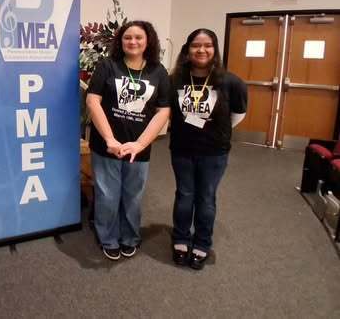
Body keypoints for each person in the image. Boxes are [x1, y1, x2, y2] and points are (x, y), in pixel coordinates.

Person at [86, 20, 171, 260]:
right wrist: (110, 139)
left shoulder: (158, 71)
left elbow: (163, 111)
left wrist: (141, 144)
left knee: (133, 195)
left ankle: (130, 237)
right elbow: (93, 101)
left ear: (148, 42)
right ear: (120, 41)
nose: (132, 42)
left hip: (139, 147)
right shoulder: (108, 66)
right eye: (127, 37)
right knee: (107, 194)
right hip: (107, 145)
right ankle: (108, 237)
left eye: (138, 38)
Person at [169, 28, 247, 270]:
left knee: (205, 198)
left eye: (207, 45)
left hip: (214, 152)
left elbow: (238, 114)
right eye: (195, 45)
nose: (201, 50)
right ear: (187, 49)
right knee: (184, 195)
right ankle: (181, 238)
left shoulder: (230, 81)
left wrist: (216, 132)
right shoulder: (175, 80)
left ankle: (202, 242)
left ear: (215, 50)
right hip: (182, 149)